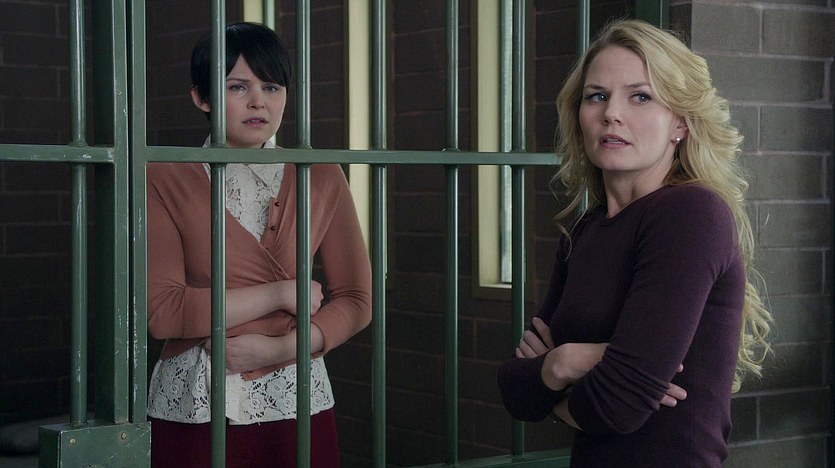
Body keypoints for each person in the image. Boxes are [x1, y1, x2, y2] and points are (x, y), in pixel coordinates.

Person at [497, 19, 772, 467]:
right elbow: (515, 391)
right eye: (596, 96)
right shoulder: (584, 229)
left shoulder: (691, 214)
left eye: (640, 96)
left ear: (680, 122)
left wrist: (555, 383)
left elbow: (619, 404)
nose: (612, 113)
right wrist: (563, 362)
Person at [145, 22, 371, 467]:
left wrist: (279, 350)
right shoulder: (164, 176)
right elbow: (163, 311)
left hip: (295, 397)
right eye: (237, 86)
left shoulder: (320, 175)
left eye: (271, 86)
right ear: (202, 98)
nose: (258, 102)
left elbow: (357, 299)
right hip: (194, 401)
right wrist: (281, 293)